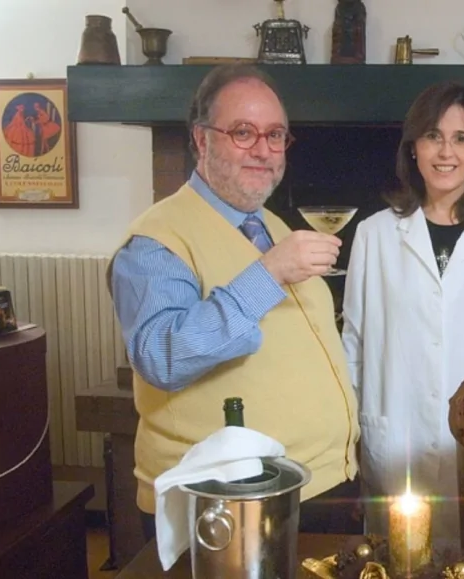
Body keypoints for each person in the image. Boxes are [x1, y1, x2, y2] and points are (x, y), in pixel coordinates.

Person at [107, 63, 361, 541]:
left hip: (317, 485)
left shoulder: (273, 226)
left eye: (276, 135)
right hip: (228, 503)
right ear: (201, 141)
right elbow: (162, 356)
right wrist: (268, 273)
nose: (263, 150)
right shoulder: (156, 242)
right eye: (243, 132)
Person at [341, 80, 464, 547]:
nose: (445, 152)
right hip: (397, 444)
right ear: (413, 148)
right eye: (433, 136)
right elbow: (353, 344)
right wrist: (351, 440)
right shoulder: (375, 234)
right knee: (399, 563)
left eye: (461, 138)